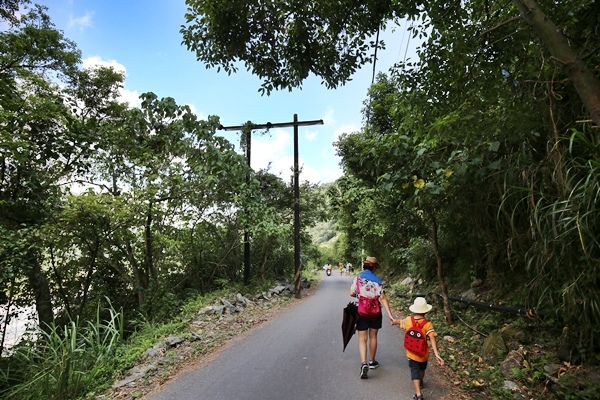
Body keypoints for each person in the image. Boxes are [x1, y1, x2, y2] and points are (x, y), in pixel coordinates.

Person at [349, 256, 393, 379]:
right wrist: (390, 315)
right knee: (373, 336)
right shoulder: (378, 281)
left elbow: (351, 293)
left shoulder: (358, 278)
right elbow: (382, 298)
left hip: (361, 311)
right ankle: (372, 361)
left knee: (362, 339)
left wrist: (361, 298)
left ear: (365, 266)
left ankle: (363, 363)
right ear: (374, 268)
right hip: (375, 312)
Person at [391, 297, 444, 400]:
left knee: (414, 371)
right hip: (423, 354)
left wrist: (394, 321)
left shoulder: (408, 320)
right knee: (422, 369)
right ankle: (420, 383)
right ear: (426, 311)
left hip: (411, 353)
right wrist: (437, 354)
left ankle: (418, 395)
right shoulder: (427, 324)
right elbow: (432, 338)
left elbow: (400, 321)